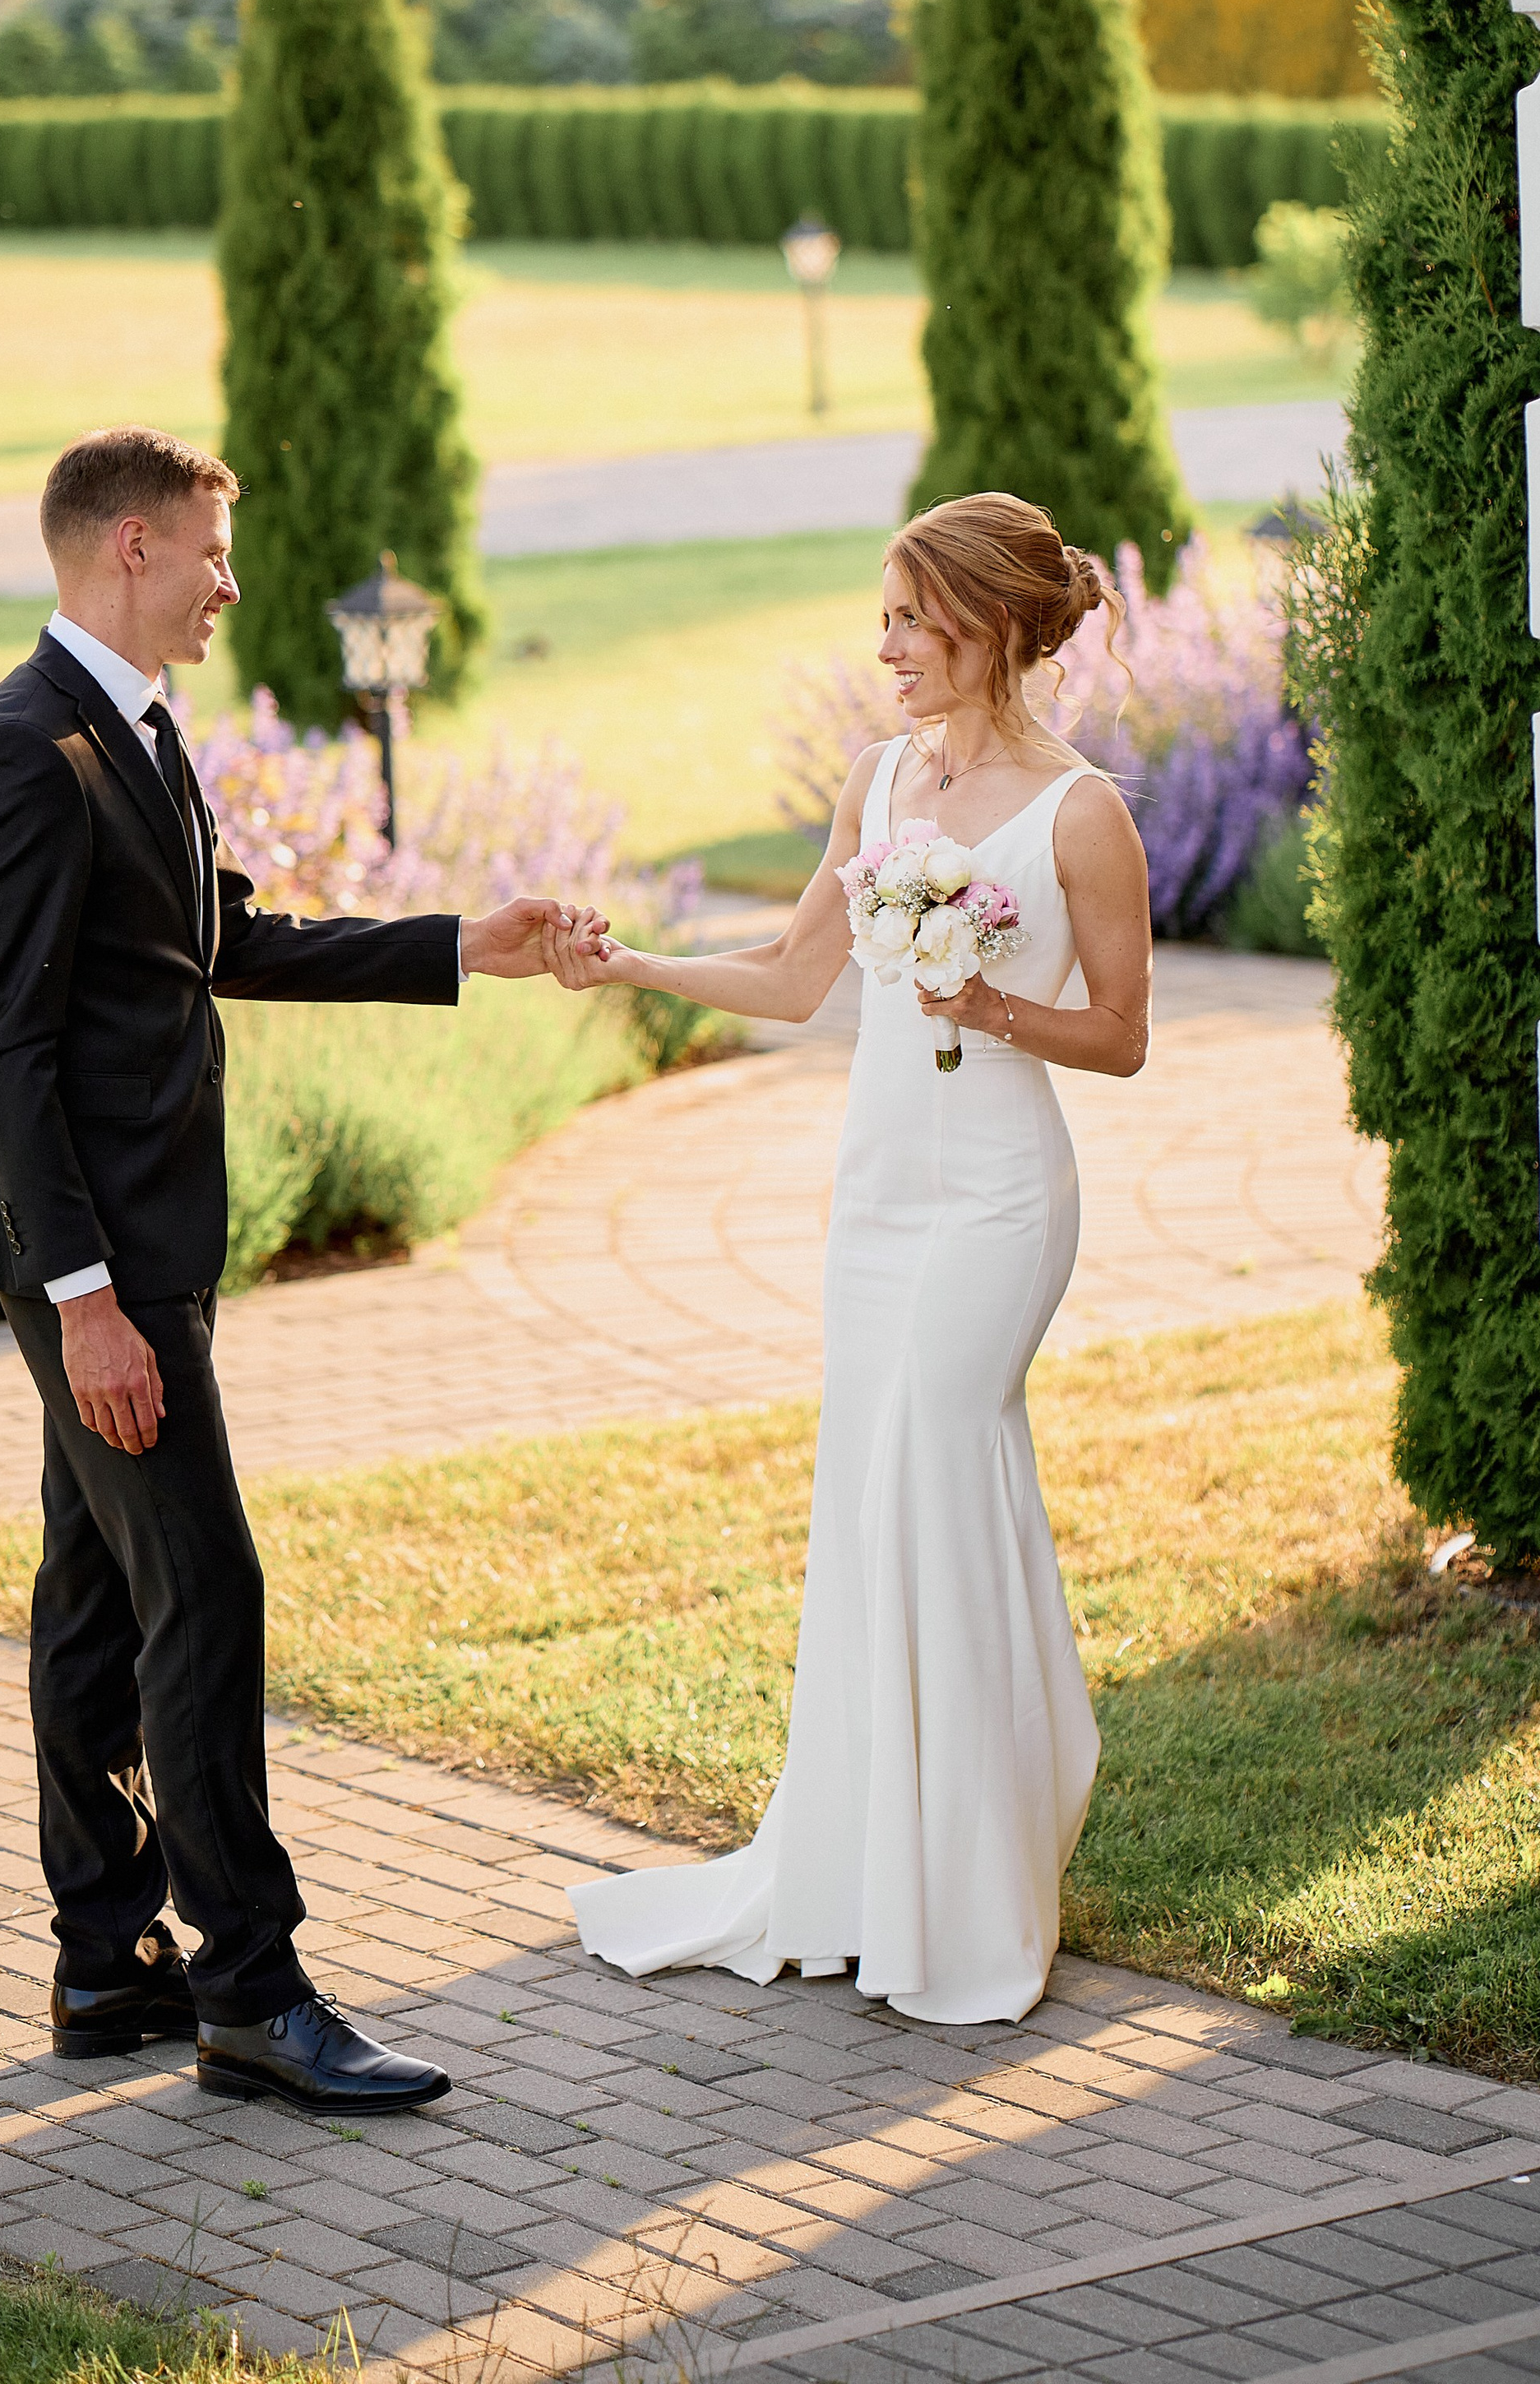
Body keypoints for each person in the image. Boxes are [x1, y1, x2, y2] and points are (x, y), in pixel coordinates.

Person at [0, 426, 602, 2113]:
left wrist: (468, 944)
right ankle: (252, 1985)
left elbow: (219, 942)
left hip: (143, 1249)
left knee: (98, 1590)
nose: (236, 586)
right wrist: (84, 1298)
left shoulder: (136, 732)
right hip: (98, 1268)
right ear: (133, 547)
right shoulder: (23, 750)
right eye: (217, 554)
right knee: (204, 1593)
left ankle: (107, 1962)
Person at [551, 492, 1150, 2025]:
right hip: (878, 1193)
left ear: (993, 624)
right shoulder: (880, 782)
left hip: (1003, 1198)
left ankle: (977, 1887)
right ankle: (867, 1868)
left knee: (937, 1470)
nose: (883, 647)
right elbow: (793, 972)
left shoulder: (1081, 812)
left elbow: (1126, 1036)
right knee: (870, 1503)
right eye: (881, 618)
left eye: (907, 618)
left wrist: (990, 1006)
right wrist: (630, 965)